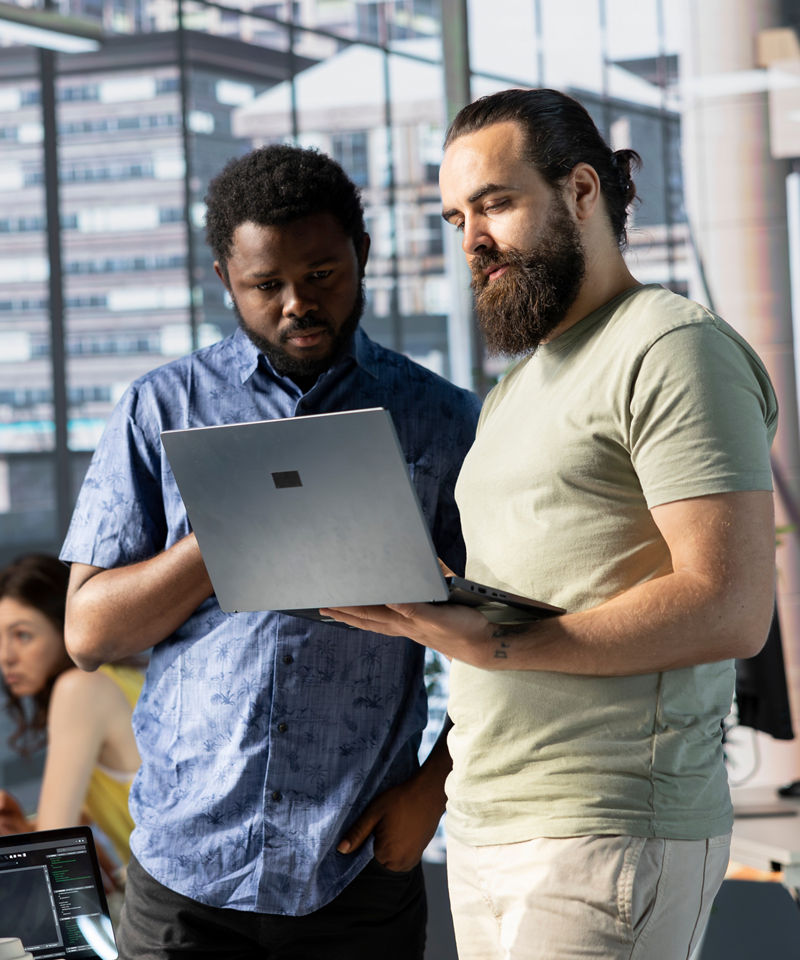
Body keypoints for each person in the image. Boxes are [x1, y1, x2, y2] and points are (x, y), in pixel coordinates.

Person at [323, 88, 779, 960]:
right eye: (456, 215)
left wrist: (484, 643)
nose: (472, 240)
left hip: (609, 824)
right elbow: (536, 594)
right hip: (492, 821)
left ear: (581, 192)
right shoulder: (514, 390)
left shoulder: (672, 348)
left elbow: (729, 606)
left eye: (496, 203)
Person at [60, 144, 481, 959]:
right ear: (226, 278)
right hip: (186, 870)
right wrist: (234, 522)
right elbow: (88, 635)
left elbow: (508, 638)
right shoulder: (158, 409)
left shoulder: (445, 421)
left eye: (322, 274)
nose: (297, 303)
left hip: (357, 866)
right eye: (266, 285)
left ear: (362, 255)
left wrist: (434, 787)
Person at [0, 553, 143, 891]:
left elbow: (53, 844)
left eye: (22, 635)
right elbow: (74, 826)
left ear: (65, 627)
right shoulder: (116, 677)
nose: (5, 656)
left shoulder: (79, 689)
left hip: (185, 911)